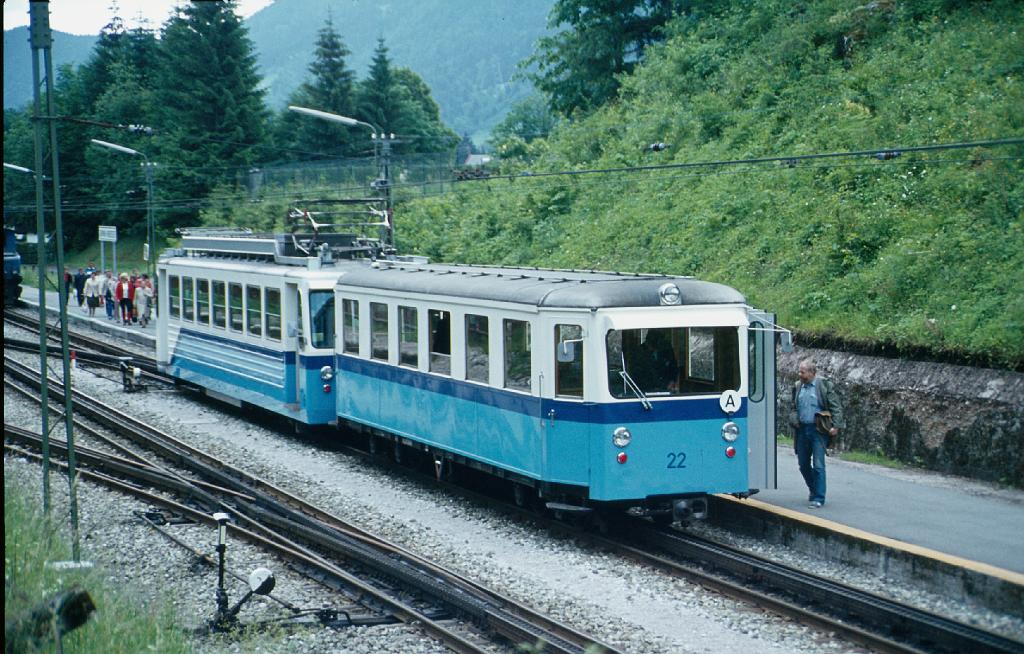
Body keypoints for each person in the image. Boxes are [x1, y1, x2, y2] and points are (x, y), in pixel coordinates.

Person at [789, 358, 845, 508]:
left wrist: (836, 426)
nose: (800, 374)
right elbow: (793, 407)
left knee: (818, 464)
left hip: (818, 430)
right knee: (803, 464)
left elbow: (836, 407)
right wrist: (794, 418)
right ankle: (813, 489)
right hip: (802, 430)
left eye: (803, 371)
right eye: (799, 371)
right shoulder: (797, 386)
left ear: (812, 372)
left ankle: (819, 497)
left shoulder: (824, 386)